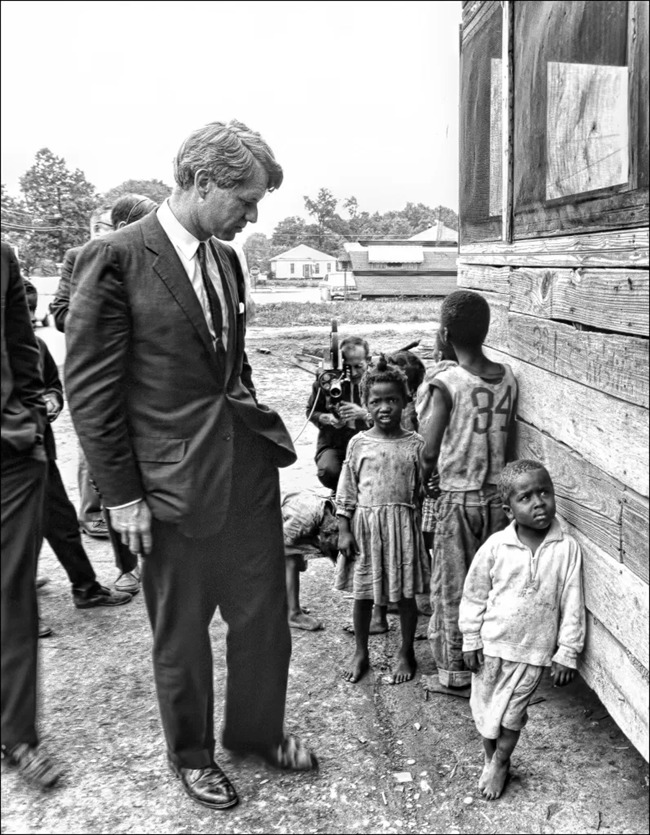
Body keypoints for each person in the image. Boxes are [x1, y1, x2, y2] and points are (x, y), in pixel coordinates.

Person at [64, 120, 317, 811]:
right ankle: (193, 754)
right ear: (203, 182)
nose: (254, 215)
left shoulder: (226, 259)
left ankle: (257, 733)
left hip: (243, 475)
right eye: (247, 199)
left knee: (263, 616)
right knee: (181, 631)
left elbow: (229, 367)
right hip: (169, 488)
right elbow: (90, 392)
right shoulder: (113, 257)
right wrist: (121, 497)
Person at [459, 460, 585, 801]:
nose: (538, 502)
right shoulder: (496, 547)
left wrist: (567, 652)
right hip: (491, 648)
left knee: (513, 716)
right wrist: (470, 638)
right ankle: (490, 756)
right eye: (525, 497)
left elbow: (573, 601)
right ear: (508, 508)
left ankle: (501, 760)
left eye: (544, 492)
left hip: (533, 652)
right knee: (486, 714)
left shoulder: (566, 548)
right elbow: (474, 594)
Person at [420, 290, 517, 697]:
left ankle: (455, 671)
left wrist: (427, 477)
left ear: (443, 334)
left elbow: (427, 450)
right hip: (498, 499)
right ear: (486, 330)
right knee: (492, 587)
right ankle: (491, 664)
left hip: (457, 500)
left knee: (452, 586)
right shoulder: (508, 376)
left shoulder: (446, 382)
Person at [25, 285, 132, 619]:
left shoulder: (33, 347)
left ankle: (85, 588)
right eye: (19, 313)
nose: (28, 321)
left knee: (62, 523)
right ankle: (19, 613)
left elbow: (51, 384)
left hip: (38, 454)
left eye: (30, 314)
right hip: (10, 460)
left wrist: (53, 399)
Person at [1, 242, 62, 788]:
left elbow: (24, 349)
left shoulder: (1, 256)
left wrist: (32, 418)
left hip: (10, 459)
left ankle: (17, 735)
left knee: (12, 595)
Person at [335, 357, 430, 685]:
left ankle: (406, 650)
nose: (384, 407)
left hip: (402, 529)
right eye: (376, 401)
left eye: (392, 399)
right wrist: (344, 529)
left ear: (405, 400)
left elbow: (423, 490)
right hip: (366, 530)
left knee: (406, 596)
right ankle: (361, 651)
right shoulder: (358, 444)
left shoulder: (416, 444)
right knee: (362, 594)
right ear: (365, 404)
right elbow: (346, 489)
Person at [50, 204, 114, 540]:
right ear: (97, 227)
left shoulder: (130, 253)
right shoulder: (77, 256)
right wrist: (98, 312)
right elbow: (60, 313)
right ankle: (91, 514)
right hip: (92, 363)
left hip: (125, 363)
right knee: (93, 436)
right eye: (109, 225)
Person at [306, 335, 373, 491]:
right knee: (329, 470)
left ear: (368, 360)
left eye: (358, 366)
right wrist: (328, 418)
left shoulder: (378, 381)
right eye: (348, 367)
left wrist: (364, 414)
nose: (353, 373)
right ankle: (340, 494)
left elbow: (395, 416)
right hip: (334, 443)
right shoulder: (327, 381)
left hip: (370, 444)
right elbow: (311, 411)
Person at [415, 331, 458, 552]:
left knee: (432, 539)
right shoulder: (469, 378)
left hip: (436, 473)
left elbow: (428, 438)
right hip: (459, 471)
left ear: (438, 354)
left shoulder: (437, 383)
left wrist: (424, 476)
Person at [281, 490, 339, 631]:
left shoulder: (329, 508)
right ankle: (293, 614)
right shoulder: (303, 522)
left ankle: (289, 606)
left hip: (287, 513)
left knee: (295, 560)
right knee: (291, 562)